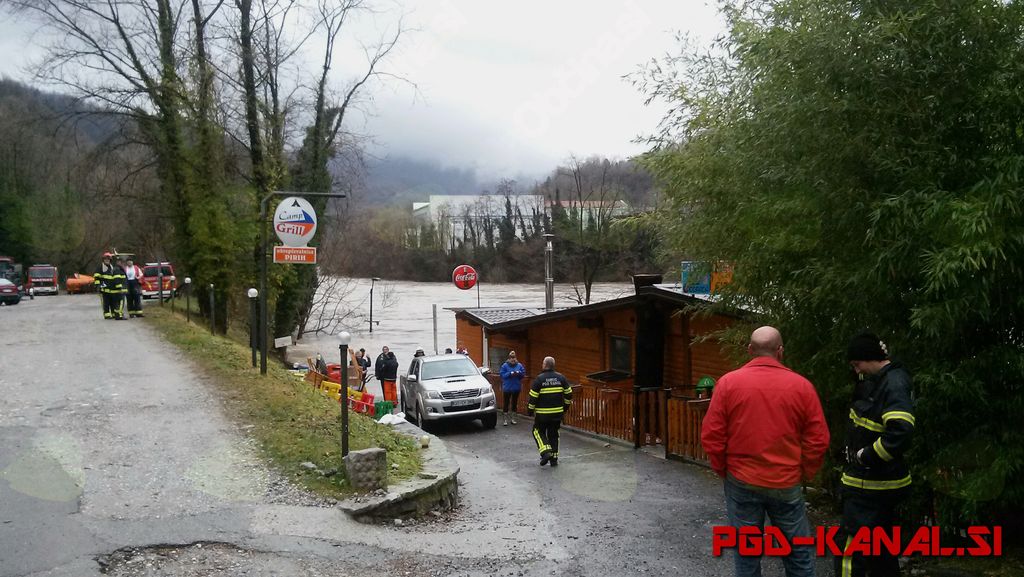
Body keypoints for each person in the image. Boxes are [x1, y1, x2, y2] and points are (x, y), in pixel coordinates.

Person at [700, 326, 830, 577]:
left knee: (746, 555)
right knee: (798, 555)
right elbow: (818, 439)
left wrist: (723, 469)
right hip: (785, 481)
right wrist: (804, 472)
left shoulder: (728, 384)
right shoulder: (802, 387)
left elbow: (712, 435)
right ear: (780, 351)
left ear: (750, 350)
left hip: (742, 480)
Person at [836, 332, 915, 577]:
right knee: (880, 550)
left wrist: (866, 456)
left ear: (870, 357)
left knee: (851, 549)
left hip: (870, 486)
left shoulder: (893, 383)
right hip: (876, 483)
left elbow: (900, 432)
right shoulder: (883, 381)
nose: (857, 370)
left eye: (857, 364)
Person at [526, 356, 572, 466]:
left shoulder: (539, 379)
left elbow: (533, 398)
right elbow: (569, 394)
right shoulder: (561, 378)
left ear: (544, 365)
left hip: (542, 414)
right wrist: (565, 408)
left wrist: (530, 410)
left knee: (538, 431)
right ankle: (554, 459)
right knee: (554, 434)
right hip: (557, 413)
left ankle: (545, 452)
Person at [93, 252, 125, 320]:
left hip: (112, 289)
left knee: (113, 302)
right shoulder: (100, 267)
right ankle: (107, 314)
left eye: (108, 259)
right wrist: (98, 285)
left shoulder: (112, 267)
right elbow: (96, 277)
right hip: (104, 289)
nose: (107, 260)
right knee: (106, 303)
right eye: (105, 259)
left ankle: (113, 314)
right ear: (103, 260)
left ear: (110, 260)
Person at [499, 351, 526, 426]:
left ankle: (513, 418)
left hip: (516, 387)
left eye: (514, 358)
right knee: (506, 403)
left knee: (514, 403)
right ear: (509, 358)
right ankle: (505, 419)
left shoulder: (519, 365)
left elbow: (523, 374)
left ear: (515, 358)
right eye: (511, 358)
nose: (513, 359)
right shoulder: (505, 365)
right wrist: (510, 373)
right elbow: (502, 375)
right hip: (507, 388)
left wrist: (519, 373)